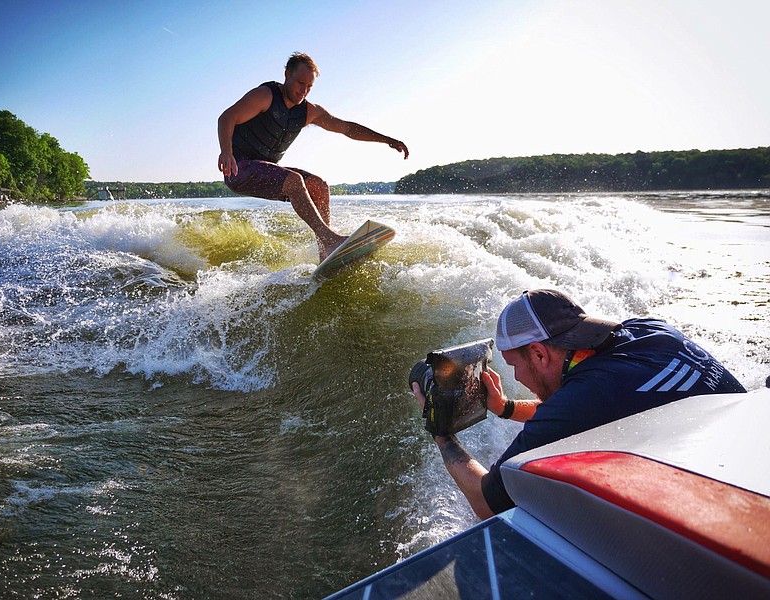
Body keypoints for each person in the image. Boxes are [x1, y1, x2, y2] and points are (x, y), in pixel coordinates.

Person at [411, 288, 746, 519]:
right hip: (752, 443)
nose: (517, 375)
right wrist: (506, 408)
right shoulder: (646, 330)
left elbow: (488, 502)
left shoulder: (589, 396)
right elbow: (582, 410)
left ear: (540, 353)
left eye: (515, 365)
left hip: (737, 501)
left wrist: (442, 432)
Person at [217, 52, 409, 261]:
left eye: (309, 87)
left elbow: (345, 128)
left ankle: (326, 252)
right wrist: (226, 151)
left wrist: (385, 139)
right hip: (239, 169)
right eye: (300, 83)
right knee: (294, 180)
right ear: (287, 74)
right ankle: (330, 239)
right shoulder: (266, 95)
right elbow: (227, 117)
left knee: (319, 185)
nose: (304, 91)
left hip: (266, 170)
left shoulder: (308, 111)